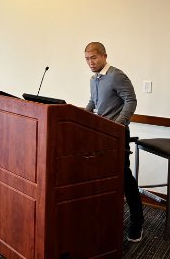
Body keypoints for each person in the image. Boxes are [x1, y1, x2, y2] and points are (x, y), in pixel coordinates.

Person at [84, 42, 144, 242]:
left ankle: (137, 222)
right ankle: (106, 219)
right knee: (101, 178)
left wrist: (118, 125)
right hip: (100, 135)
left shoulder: (116, 76)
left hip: (117, 134)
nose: (90, 62)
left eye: (93, 57)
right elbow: (93, 103)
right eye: (87, 59)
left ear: (104, 56)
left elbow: (131, 100)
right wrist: (80, 115)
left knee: (125, 179)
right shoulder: (94, 79)